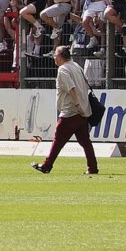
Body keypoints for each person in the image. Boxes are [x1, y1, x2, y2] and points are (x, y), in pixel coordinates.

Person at [33, 45, 99, 175]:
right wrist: (81, 106)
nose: (54, 57)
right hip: (82, 111)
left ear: (60, 56)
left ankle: (47, 165)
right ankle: (93, 168)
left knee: (58, 140)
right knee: (85, 142)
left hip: (70, 111)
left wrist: (77, 105)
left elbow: (72, 88)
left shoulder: (63, 69)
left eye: (55, 55)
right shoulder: (76, 66)